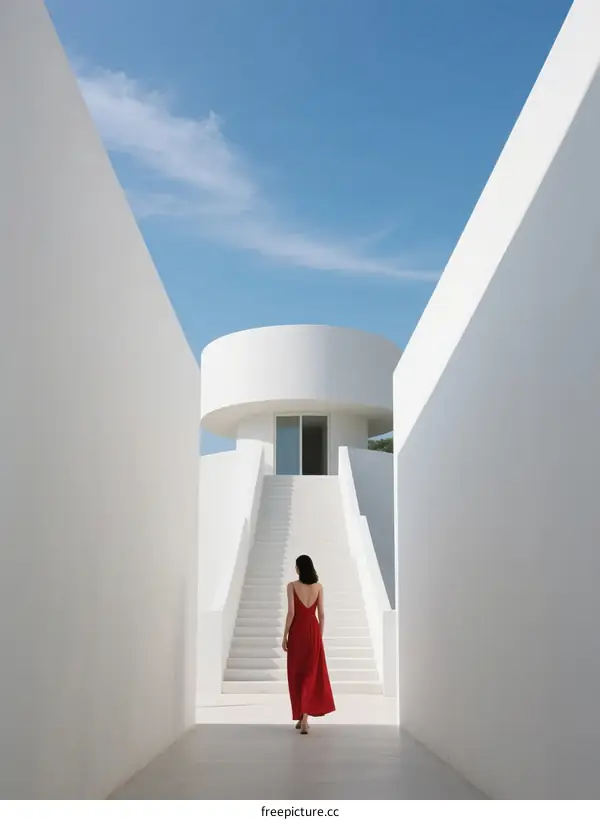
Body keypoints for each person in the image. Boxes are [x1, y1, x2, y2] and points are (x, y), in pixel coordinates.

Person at [282, 554, 336, 734]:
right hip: (313, 632)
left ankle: (302, 718)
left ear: (299, 568)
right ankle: (303, 718)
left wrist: (285, 635)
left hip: (297, 632)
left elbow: (291, 613)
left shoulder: (291, 586)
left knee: (297, 674)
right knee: (310, 674)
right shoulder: (318, 587)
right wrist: (319, 637)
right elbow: (322, 615)